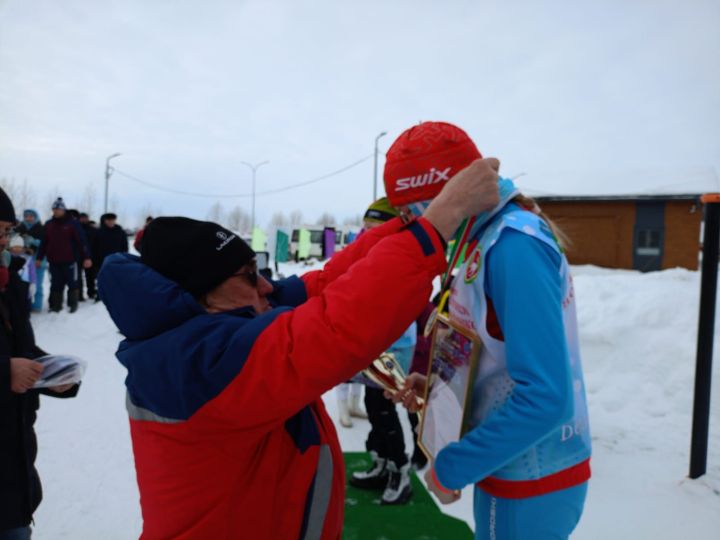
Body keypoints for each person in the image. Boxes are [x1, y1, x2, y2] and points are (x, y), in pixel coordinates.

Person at [96, 159, 500, 540]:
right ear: (203, 296)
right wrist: (438, 222)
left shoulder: (208, 324)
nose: (268, 286)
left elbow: (321, 285)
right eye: (250, 276)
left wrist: (405, 227)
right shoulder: (199, 362)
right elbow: (332, 326)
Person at [384, 121, 591, 540]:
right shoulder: (487, 237)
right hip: (509, 464)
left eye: (410, 209)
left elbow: (547, 397)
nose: (410, 223)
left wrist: (453, 466)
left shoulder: (513, 247)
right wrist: (442, 387)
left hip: (530, 476)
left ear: (442, 193)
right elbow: (497, 353)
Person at [0, 188, 80, 540]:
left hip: (11, 463)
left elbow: (21, 349)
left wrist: (50, 373)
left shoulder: (9, 283)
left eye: (6, 231)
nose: (4, 241)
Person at [349, 197, 417, 505]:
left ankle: (399, 471)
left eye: (375, 228)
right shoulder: (368, 252)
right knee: (373, 404)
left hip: (394, 345)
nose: (368, 234)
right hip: (372, 343)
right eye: (365, 228)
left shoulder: (400, 255)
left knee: (385, 407)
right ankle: (382, 461)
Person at [35, 198, 92, 313]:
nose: (56, 211)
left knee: (73, 283)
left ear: (63, 210)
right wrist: (39, 257)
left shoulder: (72, 223)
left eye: (58, 209)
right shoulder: (49, 224)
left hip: (71, 260)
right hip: (54, 261)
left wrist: (87, 257)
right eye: (54, 209)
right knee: (56, 284)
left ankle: (73, 305)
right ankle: (56, 306)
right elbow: (44, 242)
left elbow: (82, 241)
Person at [14, 210, 44, 312]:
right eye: (26, 216)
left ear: (36, 217)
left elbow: (45, 244)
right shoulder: (20, 228)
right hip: (24, 260)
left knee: (37, 283)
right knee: (24, 283)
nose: (28, 218)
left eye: (31, 216)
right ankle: (26, 305)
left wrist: (34, 241)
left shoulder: (40, 228)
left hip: (38, 260)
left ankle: (37, 305)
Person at [78, 213, 98, 300]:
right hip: (78, 256)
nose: (83, 220)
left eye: (85, 218)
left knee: (90, 276)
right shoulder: (76, 229)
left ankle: (91, 292)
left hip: (91, 256)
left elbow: (97, 243)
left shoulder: (93, 230)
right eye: (82, 218)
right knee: (78, 277)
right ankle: (79, 295)